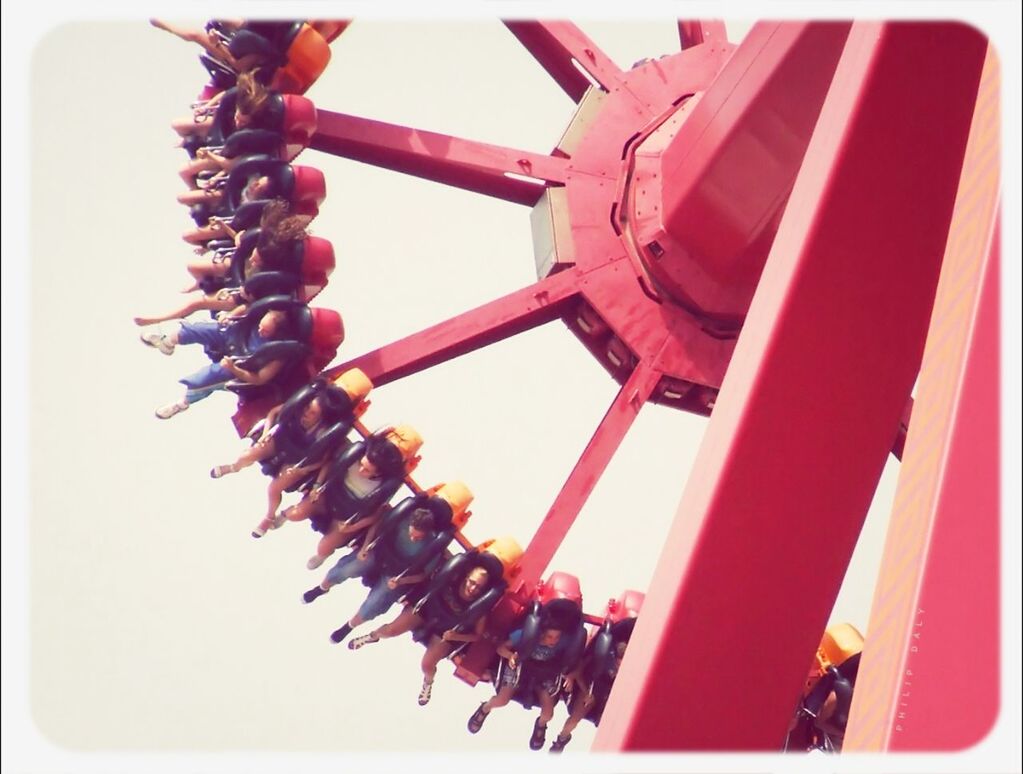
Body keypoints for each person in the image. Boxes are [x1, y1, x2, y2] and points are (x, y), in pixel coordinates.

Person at [209, 371, 371, 537]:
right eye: (307, 409)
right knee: (249, 455)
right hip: (282, 438)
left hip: (299, 459)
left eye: (313, 413)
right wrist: (266, 433)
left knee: (274, 488)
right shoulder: (304, 402)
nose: (307, 413)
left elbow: (325, 458)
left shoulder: (330, 429)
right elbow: (275, 412)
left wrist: (304, 470)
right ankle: (234, 467)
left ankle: (269, 516)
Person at [347, 561, 496, 706]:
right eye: (472, 582)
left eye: (479, 587)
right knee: (391, 630)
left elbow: (477, 636)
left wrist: (456, 637)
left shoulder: (480, 605)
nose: (473, 588)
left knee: (427, 664)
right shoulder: (453, 577)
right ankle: (372, 637)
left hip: (446, 631)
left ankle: (428, 683)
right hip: (427, 611)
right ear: (467, 577)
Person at [301, 506, 448, 645]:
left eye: (418, 538)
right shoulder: (402, 518)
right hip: (380, 554)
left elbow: (423, 575)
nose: (413, 538)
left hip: (398, 574)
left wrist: (402, 581)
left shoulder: (432, 544)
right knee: (350, 567)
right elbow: (377, 526)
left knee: (375, 603)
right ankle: (322, 588)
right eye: (412, 534)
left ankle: (349, 626)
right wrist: (366, 546)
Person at [279, 426, 421, 567]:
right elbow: (330, 466)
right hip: (328, 496)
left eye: (366, 471)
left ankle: (322, 556)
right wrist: (317, 487)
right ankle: (284, 515)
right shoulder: (357, 452)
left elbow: (376, 514)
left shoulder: (387, 484)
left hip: (347, 516)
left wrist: (352, 527)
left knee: (324, 547)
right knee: (295, 514)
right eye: (362, 464)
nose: (360, 470)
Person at [467, 598, 585, 750]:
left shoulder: (565, 641)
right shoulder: (526, 634)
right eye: (549, 637)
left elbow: (576, 661)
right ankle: (485, 708)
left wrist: (570, 675)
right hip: (521, 666)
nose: (553, 641)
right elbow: (501, 648)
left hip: (545, 672)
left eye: (556, 638)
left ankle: (541, 725)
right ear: (542, 632)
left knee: (548, 713)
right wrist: (510, 656)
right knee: (502, 700)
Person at [142, 306, 294, 419]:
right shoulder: (261, 311)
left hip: (241, 365)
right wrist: (229, 316)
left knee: (208, 376)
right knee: (202, 329)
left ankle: (182, 403)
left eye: (265, 331)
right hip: (234, 336)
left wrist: (234, 369)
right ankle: (168, 342)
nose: (260, 330)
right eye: (261, 326)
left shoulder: (278, 352)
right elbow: (246, 307)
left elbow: (260, 378)